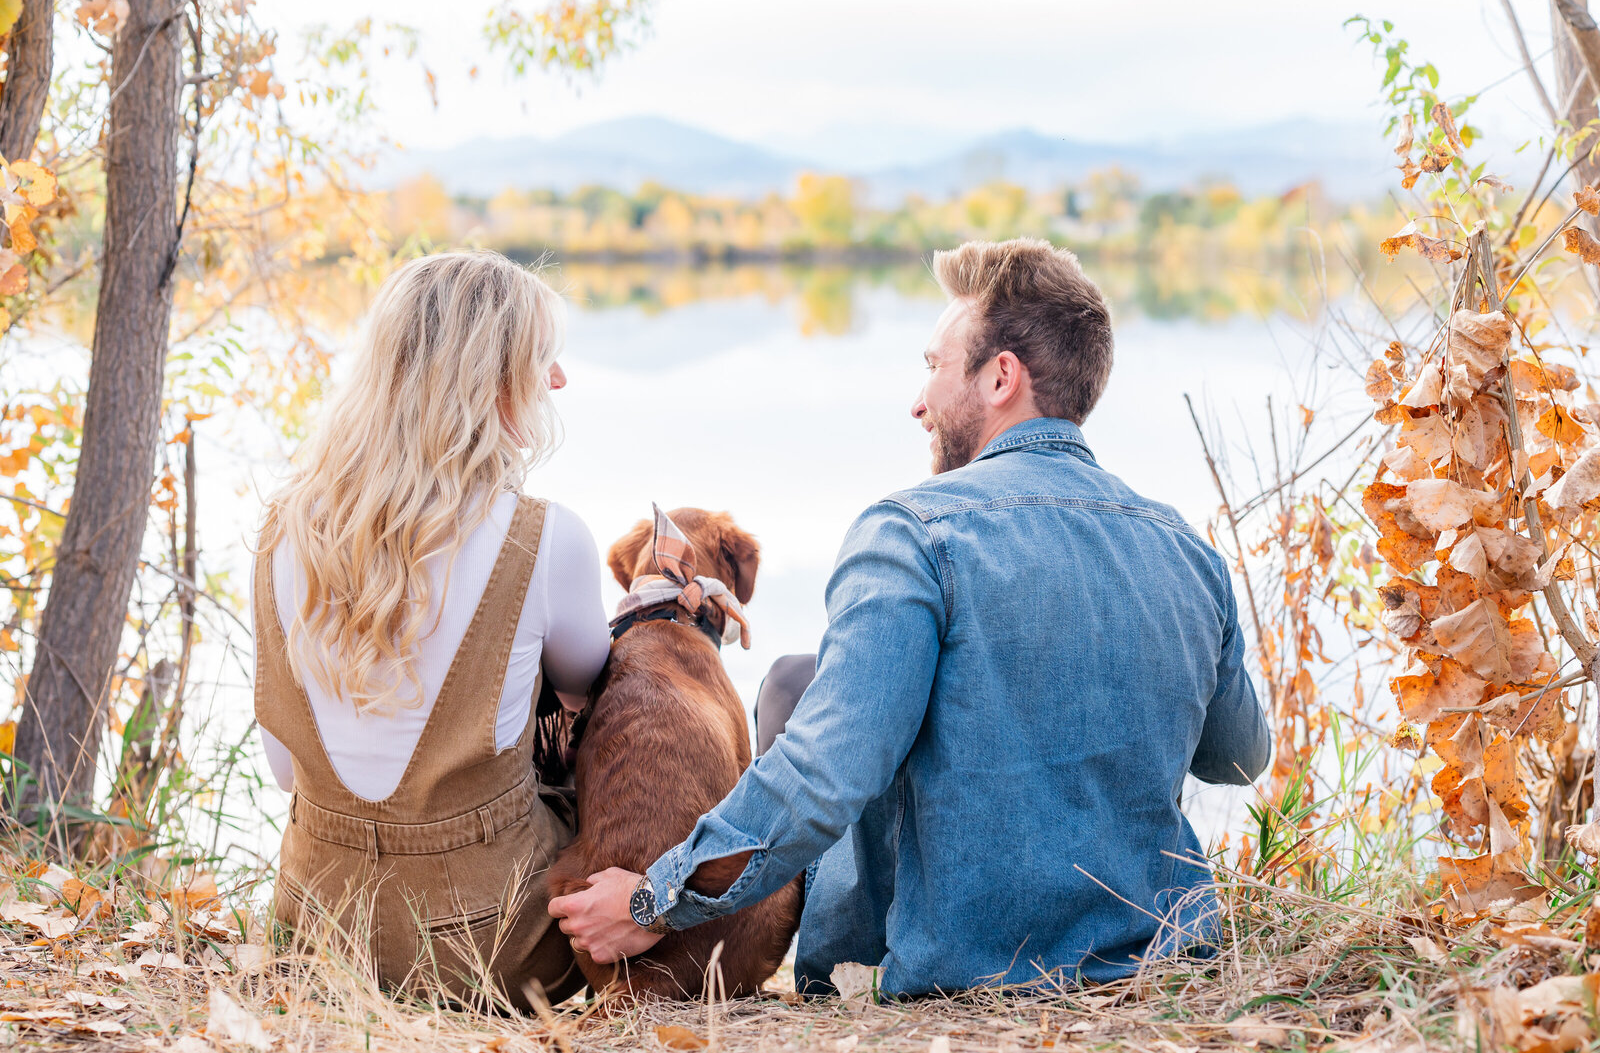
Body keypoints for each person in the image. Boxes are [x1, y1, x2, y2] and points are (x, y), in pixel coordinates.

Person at [548, 238, 1271, 997]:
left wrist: (653, 898)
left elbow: (826, 774)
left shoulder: (912, 532)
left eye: (933, 366)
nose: (918, 401)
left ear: (1001, 377)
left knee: (799, 684)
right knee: (814, 676)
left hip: (967, 971)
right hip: (1158, 958)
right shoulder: (1187, 548)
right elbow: (1238, 757)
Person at [249, 250, 610, 1010]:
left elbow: (288, 774)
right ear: (487, 377)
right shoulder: (546, 540)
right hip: (496, 948)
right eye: (541, 359)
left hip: (317, 928)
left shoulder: (282, 532)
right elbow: (591, 699)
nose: (559, 382)